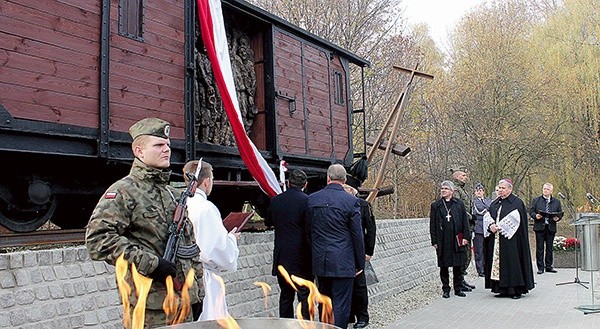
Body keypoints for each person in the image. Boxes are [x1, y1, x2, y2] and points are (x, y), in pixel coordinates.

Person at [86, 118, 202, 327]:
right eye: (158, 145)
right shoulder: (124, 191)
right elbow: (98, 240)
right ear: (139, 151)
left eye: (168, 145)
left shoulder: (171, 194)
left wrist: (197, 294)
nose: (167, 150)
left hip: (183, 304)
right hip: (150, 308)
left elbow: (189, 247)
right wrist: (151, 263)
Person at [308, 164, 365, 329]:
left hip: (320, 260)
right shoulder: (351, 201)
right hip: (343, 260)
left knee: (324, 301)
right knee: (341, 304)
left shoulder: (312, 199)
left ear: (328, 178)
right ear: (345, 180)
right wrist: (359, 262)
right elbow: (357, 235)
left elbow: (308, 230)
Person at [182, 160, 240, 320]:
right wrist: (231, 239)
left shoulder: (180, 204)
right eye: (212, 179)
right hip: (204, 279)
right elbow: (217, 250)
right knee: (209, 320)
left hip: (184, 277)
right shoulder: (206, 208)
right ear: (206, 182)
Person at [264, 169, 312, 319]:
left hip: (282, 255)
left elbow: (268, 221)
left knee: (285, 295)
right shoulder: (308, 201)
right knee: (304, 295)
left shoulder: (276, 200)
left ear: (288, 183)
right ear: (305, 184)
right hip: (303, 256)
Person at [483, 178, 535, 299]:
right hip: (497, 240)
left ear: (510, 189)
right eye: (499, 188)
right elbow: (489, 217)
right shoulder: (495, 203)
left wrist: (503, 226)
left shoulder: (517, 203)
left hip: (513, 241)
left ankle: (515, 289)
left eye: (503, 188)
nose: (500, 191)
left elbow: (519, 222)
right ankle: (501, 288)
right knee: (499, 263)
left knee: (512, 262)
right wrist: (491, 226)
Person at [343, 182, 376, 329]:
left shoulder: (363, 205)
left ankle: (362, 316)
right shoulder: (340, 203)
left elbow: (370, 229)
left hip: (359, 251)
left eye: (345, 188)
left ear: (352, 190)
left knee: (359, 286)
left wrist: (369, 251)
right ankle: (348, 314)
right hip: (343, 251)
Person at [430, 180, 471, 299]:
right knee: (444, 266)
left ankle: (458, 288)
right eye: (442, 188)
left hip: (456, 238)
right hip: (443, 240)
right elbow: (432, 225)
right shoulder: (436, 205)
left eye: (446, 188)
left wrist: (466, 237)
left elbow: (465, 222)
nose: (443, 190)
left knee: (458, 265)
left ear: (452, 191)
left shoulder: (459, 204)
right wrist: (434, 241)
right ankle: (446, 289)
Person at [450, 168, 476, 291]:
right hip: (461, 227)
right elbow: (457, 209)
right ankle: (458, 282)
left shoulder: (463, 189)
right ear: (457, 177)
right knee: (463, 255)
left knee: (467, 255)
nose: (466, 177)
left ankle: (461, 280)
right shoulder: (455, 190)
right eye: (463, 175)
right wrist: (470, 217)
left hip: (467, 226)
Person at [529, 183, 563, 274]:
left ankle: (549, 266)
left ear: (551, 191)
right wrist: (536, 216)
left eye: (547, 189)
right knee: (539, 247)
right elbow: (531, 211)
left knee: (549, 247)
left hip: (550, 226)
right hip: (540, 226)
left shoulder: (556, 201)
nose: (545, 190)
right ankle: (540, 267)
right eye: (544, 189)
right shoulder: (536, 200)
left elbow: (559, 213)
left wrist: (557, 218)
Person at [472, 183, 492, 277]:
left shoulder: (488, 200)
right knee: (479, 250)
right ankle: (480, 269)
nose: (479, 192)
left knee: (487, 249)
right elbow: (480, 210)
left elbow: (491, 208)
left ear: (483, 191)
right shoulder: (474, 202)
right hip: (478, 227)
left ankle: (487, 267)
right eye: (477, 190)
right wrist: (487, 209)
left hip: (488, 228)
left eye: (480, 190)